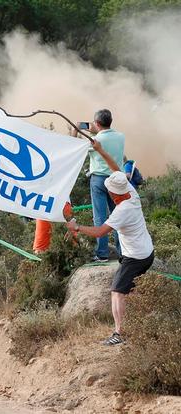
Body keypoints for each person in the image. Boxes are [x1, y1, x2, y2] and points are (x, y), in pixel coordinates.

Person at [66, 140, 153, 346]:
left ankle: (119, 334)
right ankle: (134, 325)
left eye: (111, 193)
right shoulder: (131, 193)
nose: (110, 196)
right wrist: (100, 150)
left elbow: (100, 232)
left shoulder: (123, 210)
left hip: (136, 257)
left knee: (116, 291)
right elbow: (116, 170)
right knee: (128, 290)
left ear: (116, 194)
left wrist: (77, 228)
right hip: (145, 252)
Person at [85, 109, 125, 262]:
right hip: (116, 180)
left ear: (97, 123)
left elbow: (77, 146)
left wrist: (82, 132)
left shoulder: (95, 140)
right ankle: (123, 252)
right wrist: (97, 131)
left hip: (99, 180)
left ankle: (102, 254)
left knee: (100, 217)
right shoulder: (121, 136)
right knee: (119, 216)